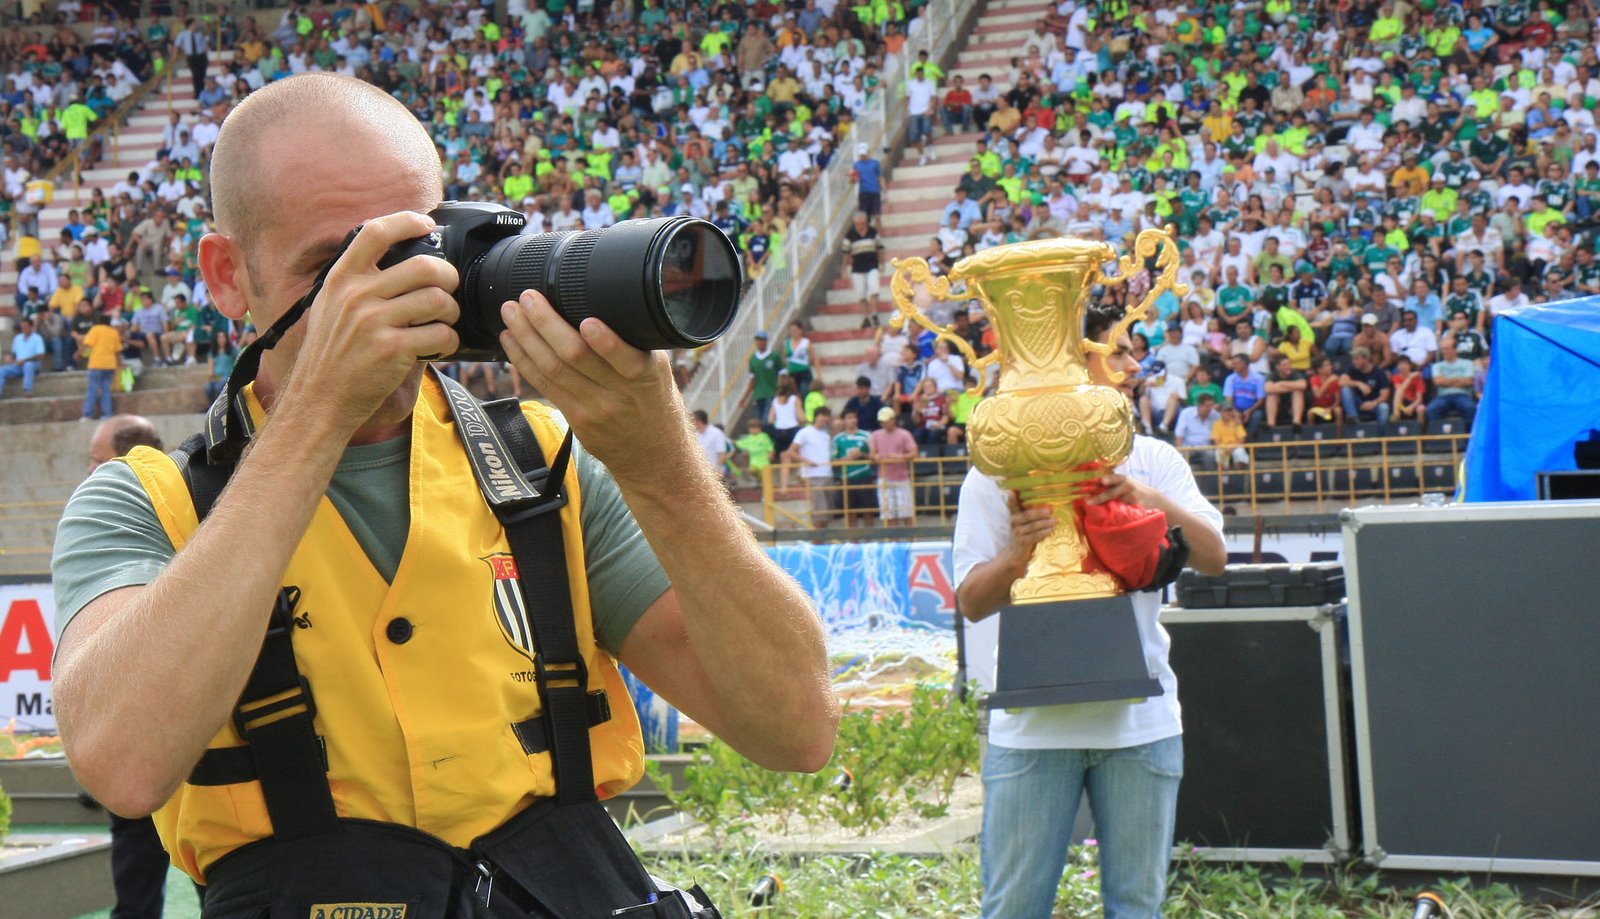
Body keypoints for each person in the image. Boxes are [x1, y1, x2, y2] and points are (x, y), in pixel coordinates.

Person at [50, 74, 836, 913]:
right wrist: (317, 412)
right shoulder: (148, 501)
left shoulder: (542, 464)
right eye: (334, 267)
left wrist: (661, 463)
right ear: (227, 275)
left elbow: (795, 727)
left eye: (409, 256)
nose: (383, 298)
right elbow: (122, 763)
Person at [954, 302, 1225, 919]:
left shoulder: (1154, 460)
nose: (1134, 366)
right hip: (1031, 733)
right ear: (1072, 366)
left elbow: (1213, 556)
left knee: (1136, 908)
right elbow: (972, 601)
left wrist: (1147, 499)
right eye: (1119, 352)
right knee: (1014, 909)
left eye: (1133, 351)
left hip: (1143, 726)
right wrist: (1018, 556)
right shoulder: (995, 472)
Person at [85, 415, 181, 919]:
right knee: (138, 874)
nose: (88, 472)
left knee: (231, 870)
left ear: (126, 460)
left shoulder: (194, 500)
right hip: (142, 724)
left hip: (191, 718)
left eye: (96, 461)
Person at [868, 405, 918, 526]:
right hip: (885, 478)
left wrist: (901, 457)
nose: (884, 424)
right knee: (888, 514)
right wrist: (876, 457)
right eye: (882, 422)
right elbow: (872, 454)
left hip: (901, 478)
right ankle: (892, 542)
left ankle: (910, 541)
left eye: (887, 421)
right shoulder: (876, 435)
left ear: (893, 420)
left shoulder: (904, 434)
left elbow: (914, 452)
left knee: (906, 513)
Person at [787, 405, 836, 526]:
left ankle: (822, 542)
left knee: (828, 512)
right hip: (813, 476)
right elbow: (791, 452)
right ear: (816, 417)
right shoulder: (804, 432)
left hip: (827, 475)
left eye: (827, 416)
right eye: (823, 416)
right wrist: (806, 461)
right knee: (819, 512)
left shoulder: (826, 435)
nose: (824, 419)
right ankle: (817, 542)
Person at [831, 408, 875, 526]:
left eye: (854, 417)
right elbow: (833, 462)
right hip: (846, 478)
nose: (852, 420)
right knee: (850, 512)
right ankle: (853, 542)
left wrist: (862, 455)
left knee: (868, 511)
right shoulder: (837, 439)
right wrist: (847, 459)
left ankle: (869, 541)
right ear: (844, 420)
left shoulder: (866, 435)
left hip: (864, 477)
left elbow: (873, 457)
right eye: (849, 418)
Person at [1426, 336, 1478, 431]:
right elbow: (1438, 382)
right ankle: (1438, 438)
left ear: (1455, 350)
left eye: (1446, 349)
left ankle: (1467, 438)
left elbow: (1468, 381)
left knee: (1470, 408)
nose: (1444, 352)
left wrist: (1445, 380)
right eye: (1442, 349)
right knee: (1432, 409)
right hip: (1443, 396)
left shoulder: (1468, 363)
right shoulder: (1437, 366)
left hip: (1463, 395)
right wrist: (1459, 380)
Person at [79, 313, 121, 421]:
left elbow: (87, 343)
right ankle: (107, 414)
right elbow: (117, 351)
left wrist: (78, 353)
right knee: (106, 390)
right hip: (110, 365)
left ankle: (87, 415)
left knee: (92, 389)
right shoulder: (114, 332)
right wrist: (119, 364)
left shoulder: (95, 329)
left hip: (96, 364)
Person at [1340, 347, 1393, 432]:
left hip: (1373, 403)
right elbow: (1341, 381)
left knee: (1384, 407)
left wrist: (1373, 403)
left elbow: (1385, 394)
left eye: (1357, 359)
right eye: (1353, 359)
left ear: (1366, 359)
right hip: (1358, 402)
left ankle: (1381, 439)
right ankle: (1353, 418)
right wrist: (1359, 384)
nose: (1354, 362)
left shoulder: (1379, 372)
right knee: (1345, 390)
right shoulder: (1352, 367)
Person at [0, 316, 45, 398]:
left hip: (32, 364)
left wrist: (24, 360)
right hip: (18, 365)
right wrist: (10, 357)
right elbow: (14, 353)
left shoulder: (37, 338)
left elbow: (41, 355)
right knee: (1, 370)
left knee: (28, 365)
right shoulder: (17, 338)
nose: (23, 329)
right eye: (22, 327)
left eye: (25, 327)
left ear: (31, 326)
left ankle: (27, 390)